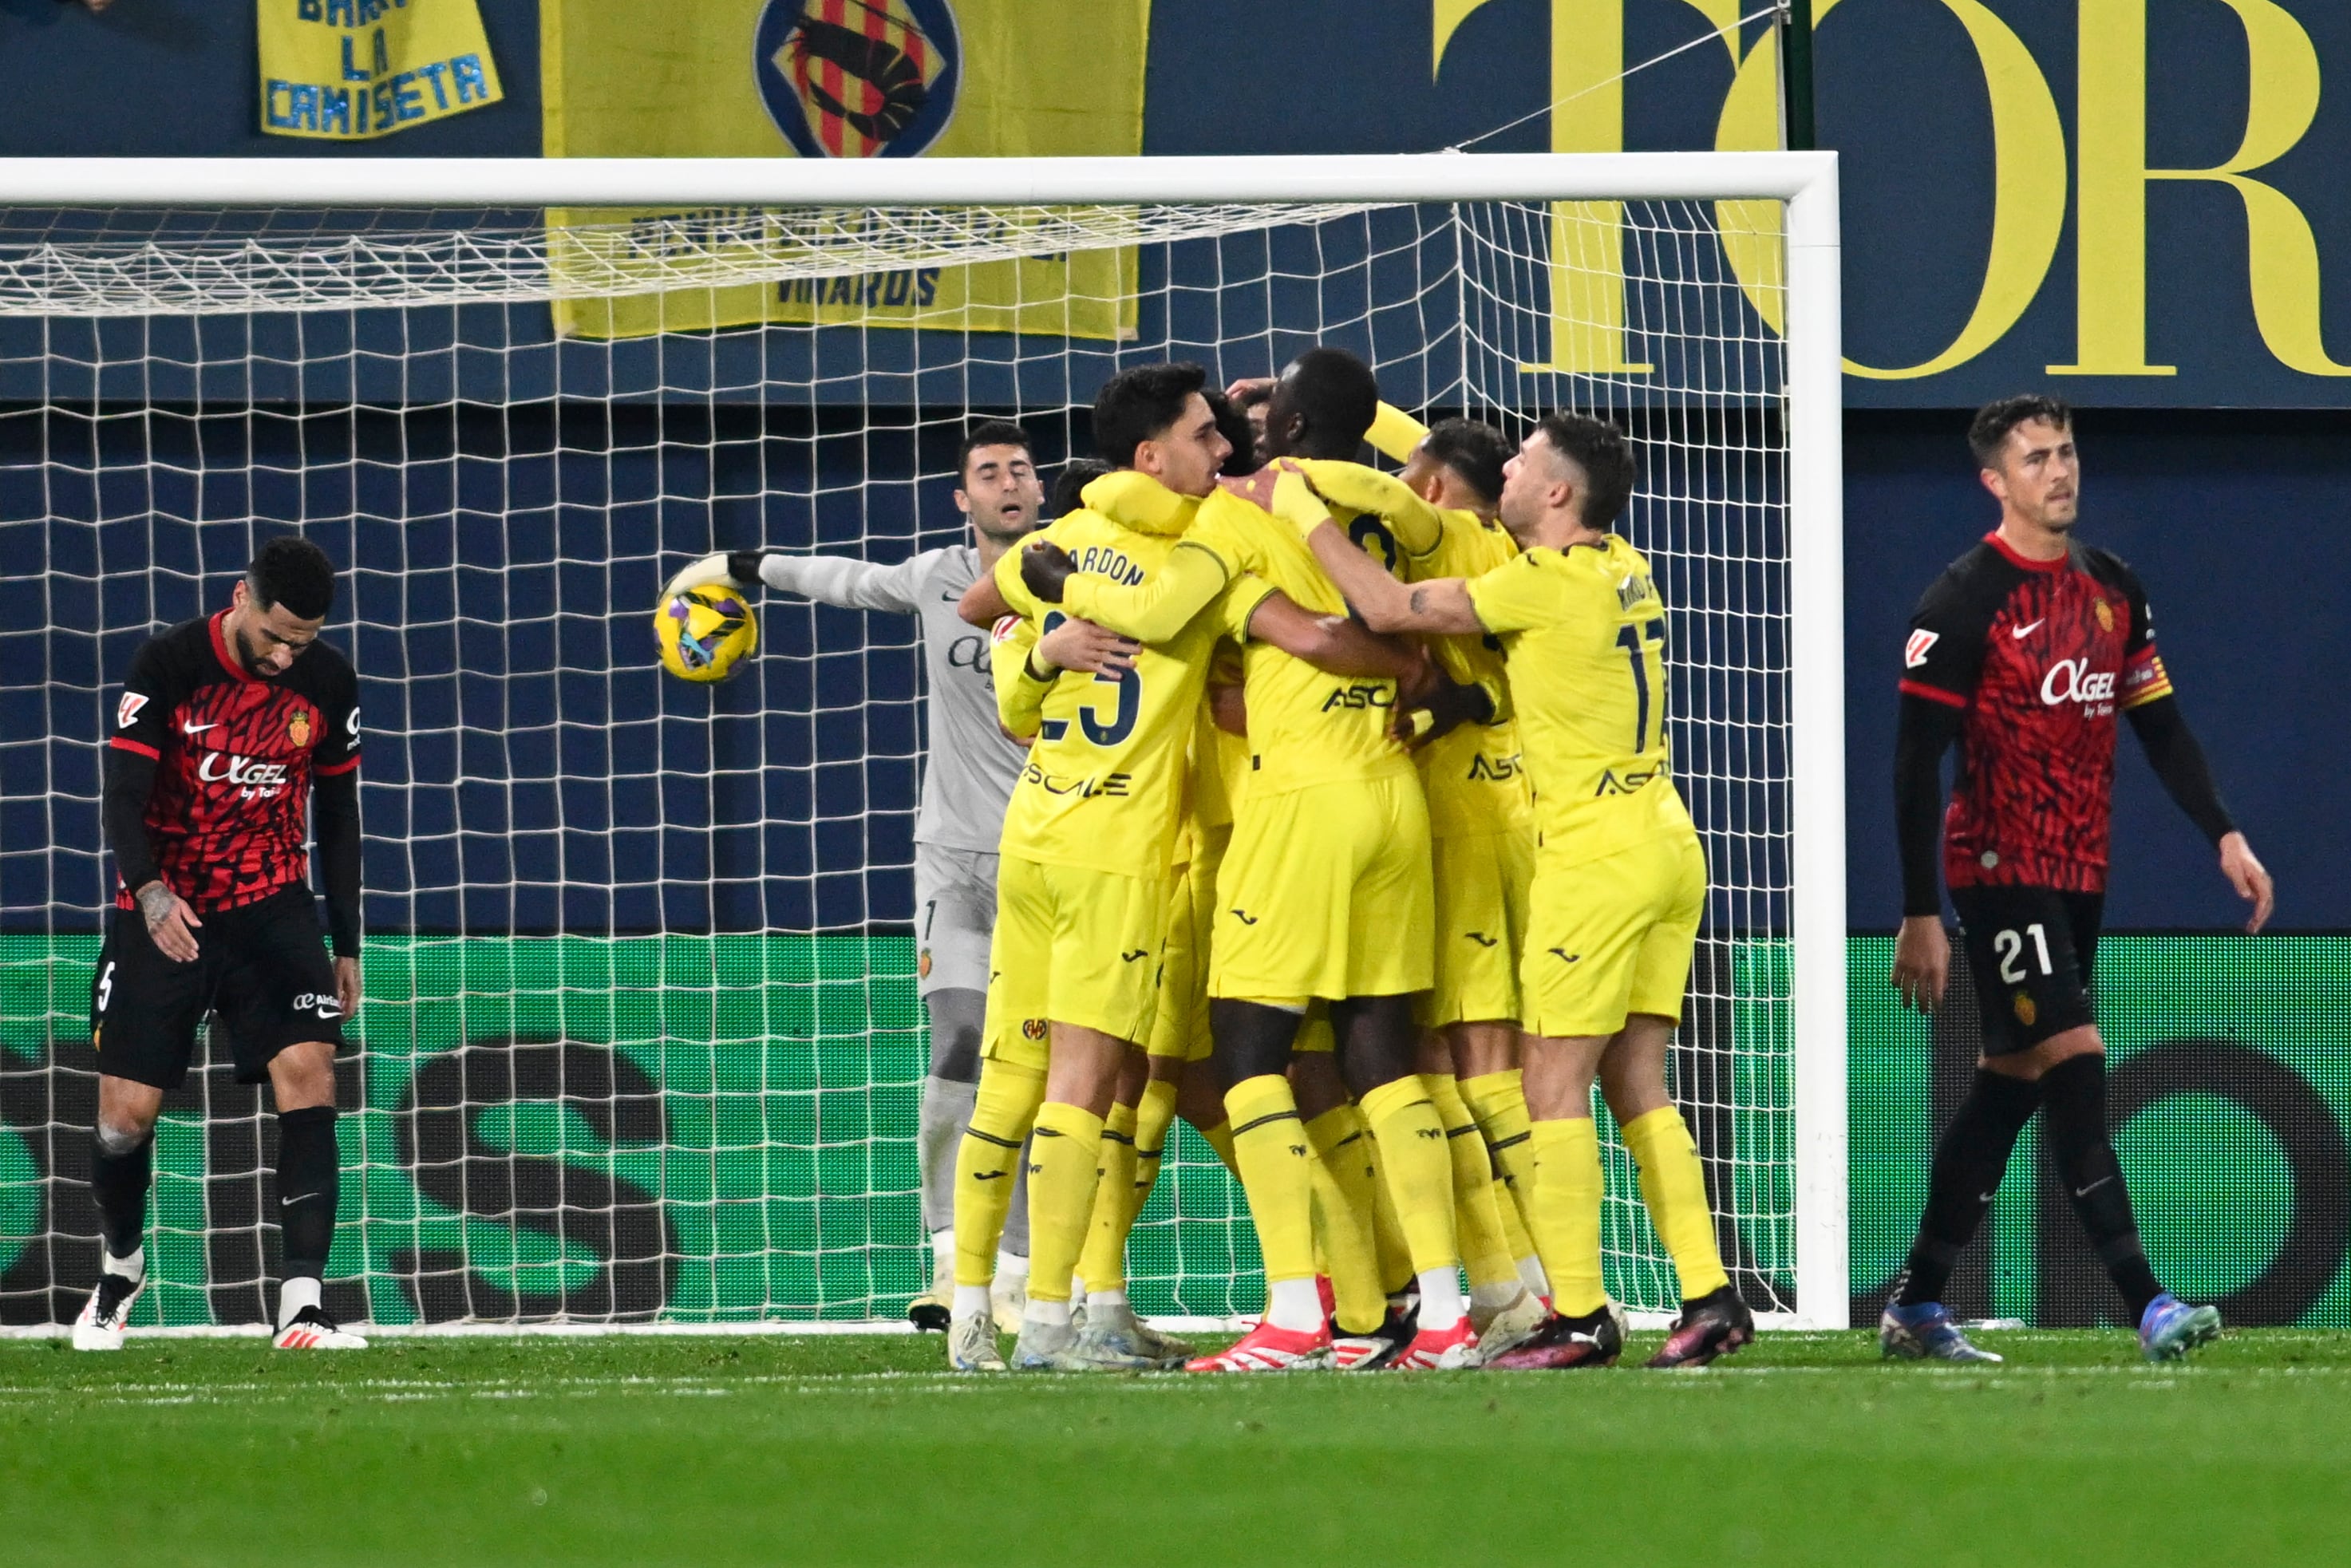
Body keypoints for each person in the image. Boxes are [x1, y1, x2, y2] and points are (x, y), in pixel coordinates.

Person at [950, 362, 1420, 1372]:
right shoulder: (1214, 549)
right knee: (1151, 1083)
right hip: (1166, 849)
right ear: (1153, 454)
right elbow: (1322, 633)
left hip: (1091, 838)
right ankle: (1075, 1315)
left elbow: (982, 605)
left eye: (1232, 433)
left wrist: (1045, 622)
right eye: (1207, 436)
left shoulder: (1068, 538)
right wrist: (1414, 670)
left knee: (1122, 1085)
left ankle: (999, 1309)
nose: (1225, 451)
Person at [1296, 412, 1752, 1370]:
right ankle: (1711, 1296)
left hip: (1594, 857)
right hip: (1667, 841)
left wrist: (1302, 513)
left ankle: (1578, 1315)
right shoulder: (1622, 563)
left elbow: (1387, 607)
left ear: (1555, 494)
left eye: (1522, 461)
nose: (1504, 469)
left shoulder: (1539, 587)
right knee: (1637, 1083)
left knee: (1549, 1088)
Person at [1882, 394, 2272, 1363]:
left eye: (2066, 452)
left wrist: (2223, 834)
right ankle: (2147, 1301)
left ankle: (1917, 1303)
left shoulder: (2113, 590)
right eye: (2036, 458)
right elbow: (1912, 764)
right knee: (2078, 1059)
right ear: (1995, 481)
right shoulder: (1964, 600)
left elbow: (2161, 726)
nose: (2060, 472)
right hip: (1996, 866)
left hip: (2077, 871)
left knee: (2008, 1087)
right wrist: (1921, 910)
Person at [663, 421, 1045, 1333]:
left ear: (1041, 491)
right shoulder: (934, 577)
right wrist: (733, 564)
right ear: (964, 499)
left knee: (1040, 1069)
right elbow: (838, 579)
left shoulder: (1084, 580)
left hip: (1057, 859)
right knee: (959, 1043)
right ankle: (955, 1264)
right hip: (952, 860)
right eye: (987, 473)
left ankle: (1030, 1272)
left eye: (1019, 470)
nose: (1005, 483)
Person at [79, 535, 366, 1352]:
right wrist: (150, 892)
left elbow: (339, 817)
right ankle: (121, 1268)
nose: (284, 655)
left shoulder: (329, 682)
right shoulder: (169, 665)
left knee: (310, 1072)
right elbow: (124, 796)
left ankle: (302, 1307)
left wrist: (344, 938)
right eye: (275, 634)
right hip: (170, 908)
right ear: (240, 598)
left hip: (272, 904)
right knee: (123, 1120)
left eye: (300, 642)